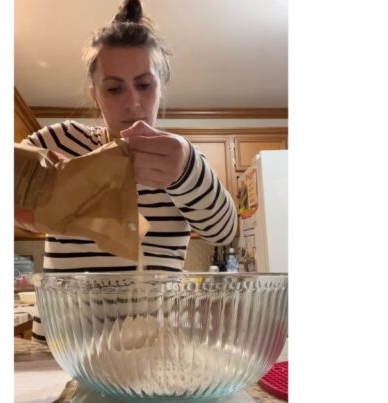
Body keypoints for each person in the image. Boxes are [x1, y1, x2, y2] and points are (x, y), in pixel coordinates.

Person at [16, 0, 237, 343]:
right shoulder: (59, 141)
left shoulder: (181, 157)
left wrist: (185, 171)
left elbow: (225, 231)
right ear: (95, 94)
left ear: (160, 88)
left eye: (144, 85)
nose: (132, 102)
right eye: (114, 88)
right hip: (64, 347)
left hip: (153, 348)